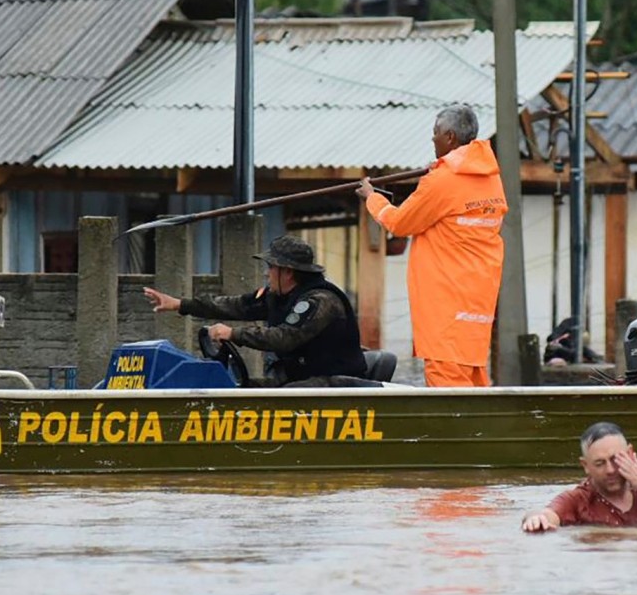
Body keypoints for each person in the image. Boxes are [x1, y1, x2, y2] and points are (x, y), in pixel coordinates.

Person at [356, 104, 507, 388]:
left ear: (449, 137)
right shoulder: (490, 178)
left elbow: (400, 223)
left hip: (445, 304)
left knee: (448, 390)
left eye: (435, 133)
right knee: (474, 379)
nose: (432, 139)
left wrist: (371, 198)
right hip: (476, 303)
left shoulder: (443, 180)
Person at [141, 234, 367, 386]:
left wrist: (233, 334)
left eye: (271, 268)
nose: (267, 273)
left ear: (287, 272)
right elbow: (237, 305)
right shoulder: (279, 296)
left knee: (276, 400)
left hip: (334, 383)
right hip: (300, 378)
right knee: (244, 388)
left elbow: (284, 338)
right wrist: (181, 304)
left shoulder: (320, 301)